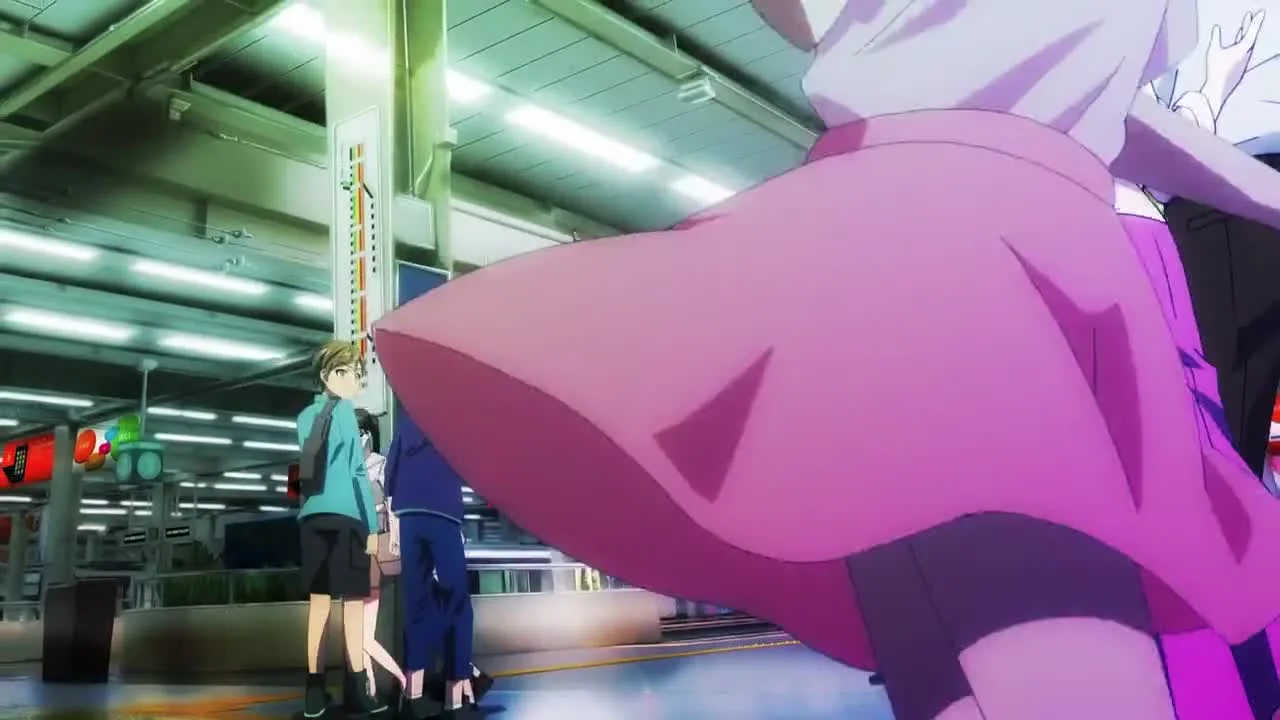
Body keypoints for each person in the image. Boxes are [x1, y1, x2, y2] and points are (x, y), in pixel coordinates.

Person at [374, 1, 1280, 718]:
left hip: (973, 239)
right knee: (1058, 646)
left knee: (983, 647)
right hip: (972, 239)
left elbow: (1128, 122)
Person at [296, 341, 386, 719]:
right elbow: (356, 473)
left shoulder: (304, 417)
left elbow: (305, 471)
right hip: (347, 517)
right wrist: (372, 528)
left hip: (312, 519)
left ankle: (313, 692)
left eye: (356, 373)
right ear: (326, 375)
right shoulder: (346, 413)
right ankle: (358, 690)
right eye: (345, 372)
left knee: (318, 606)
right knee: (352, 605)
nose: (354, 380)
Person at [384, 414, 480, 720]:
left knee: (417, 602)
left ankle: (412, 697)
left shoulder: (407, 422)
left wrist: (395, 521)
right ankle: (454, 700)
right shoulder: (450, 419)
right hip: (443, 511)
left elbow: (390, 472)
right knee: (457, 603)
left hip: (409, 514)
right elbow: (471, 465)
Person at [355, 408, 405, 701]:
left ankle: (396, 681)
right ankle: (371, 688)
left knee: (363, 635)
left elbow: (391, 504)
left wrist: (395, 537)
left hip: (373, 551)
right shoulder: (348, 468)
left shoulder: (380, 465)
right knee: (361, 636)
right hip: (354, 550)